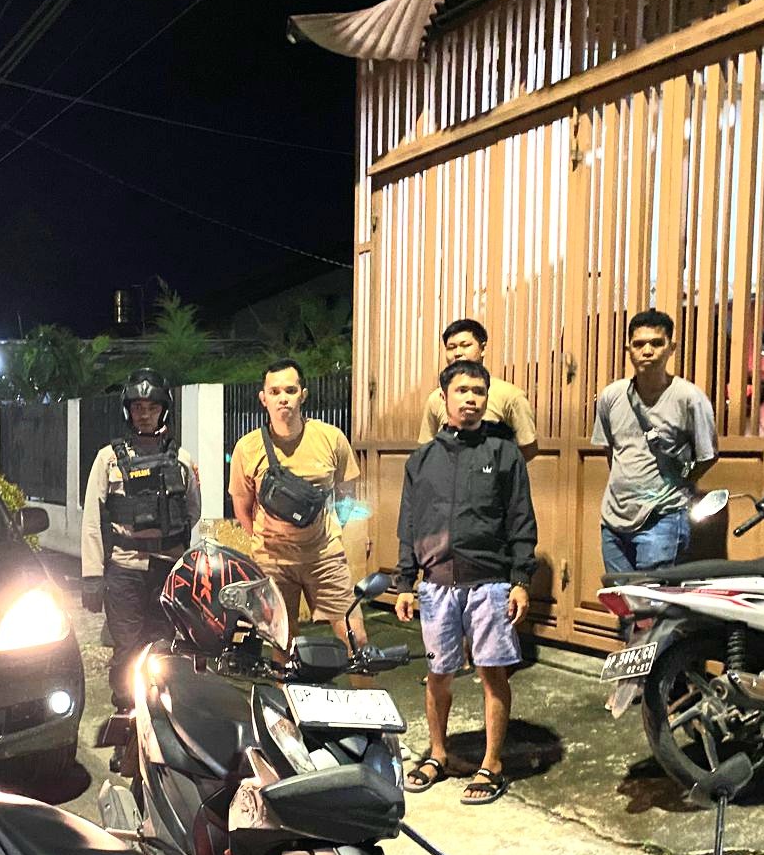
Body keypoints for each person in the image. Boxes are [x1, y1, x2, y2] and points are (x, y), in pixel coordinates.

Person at [393, 362, 537, 804]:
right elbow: (409, 523)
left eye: (478, 391)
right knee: (438, 674)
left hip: (490, 583)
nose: (471, 398)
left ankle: (492, 763)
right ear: (444, 398)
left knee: (493, 673)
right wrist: (405, 581)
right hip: (436, 585)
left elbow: (520, 518)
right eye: (461, 390)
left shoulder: (504, 453)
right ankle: (438, 753)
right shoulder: (422, 459)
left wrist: (521, 579)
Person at [80, 368, 200, 709]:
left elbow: (193, 511)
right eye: (137, 408)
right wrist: (92, 576)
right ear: (128, 411)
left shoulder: (182, 459)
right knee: (127, 650)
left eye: (152, 407)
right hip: (124, 571)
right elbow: (92, 520)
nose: (144, 414)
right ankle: (126, 715)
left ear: (164, 410)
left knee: (164, 646)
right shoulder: (108, 459)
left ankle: (160, 714)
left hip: (167, 570)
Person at [229, 360, 367, 653]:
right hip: (273, 561)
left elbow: (346, 494)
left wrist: (330, 532)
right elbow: (242, 506)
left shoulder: (331, 438)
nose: (283, 398)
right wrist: (263, 542)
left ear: (303, 395)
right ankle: (288, 686)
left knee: (356, 640)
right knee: (283, 644)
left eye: (290, 390)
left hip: (324, 556)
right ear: (263, 398)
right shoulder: (247, 447)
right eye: (275, 391)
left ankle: (360, 684)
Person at [593, 309, 718, 575]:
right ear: (628, 349)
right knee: (620, 598)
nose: (647, 351)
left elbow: (707, 456)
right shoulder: (611, 396)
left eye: (656, 343)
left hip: (663, 517)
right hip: (614, 518)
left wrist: (676, 484)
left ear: (671, 348)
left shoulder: (689, 398)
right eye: (639, 344)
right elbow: (611, 451)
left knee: (652, 598)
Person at [417, 319, 539, 460]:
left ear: (483, 349)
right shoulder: (436, 397)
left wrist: (500, 467)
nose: (458, 353)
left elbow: (528, 446)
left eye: (465, 345)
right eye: (451, 347)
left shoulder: (510, 395)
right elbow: (426, 448)